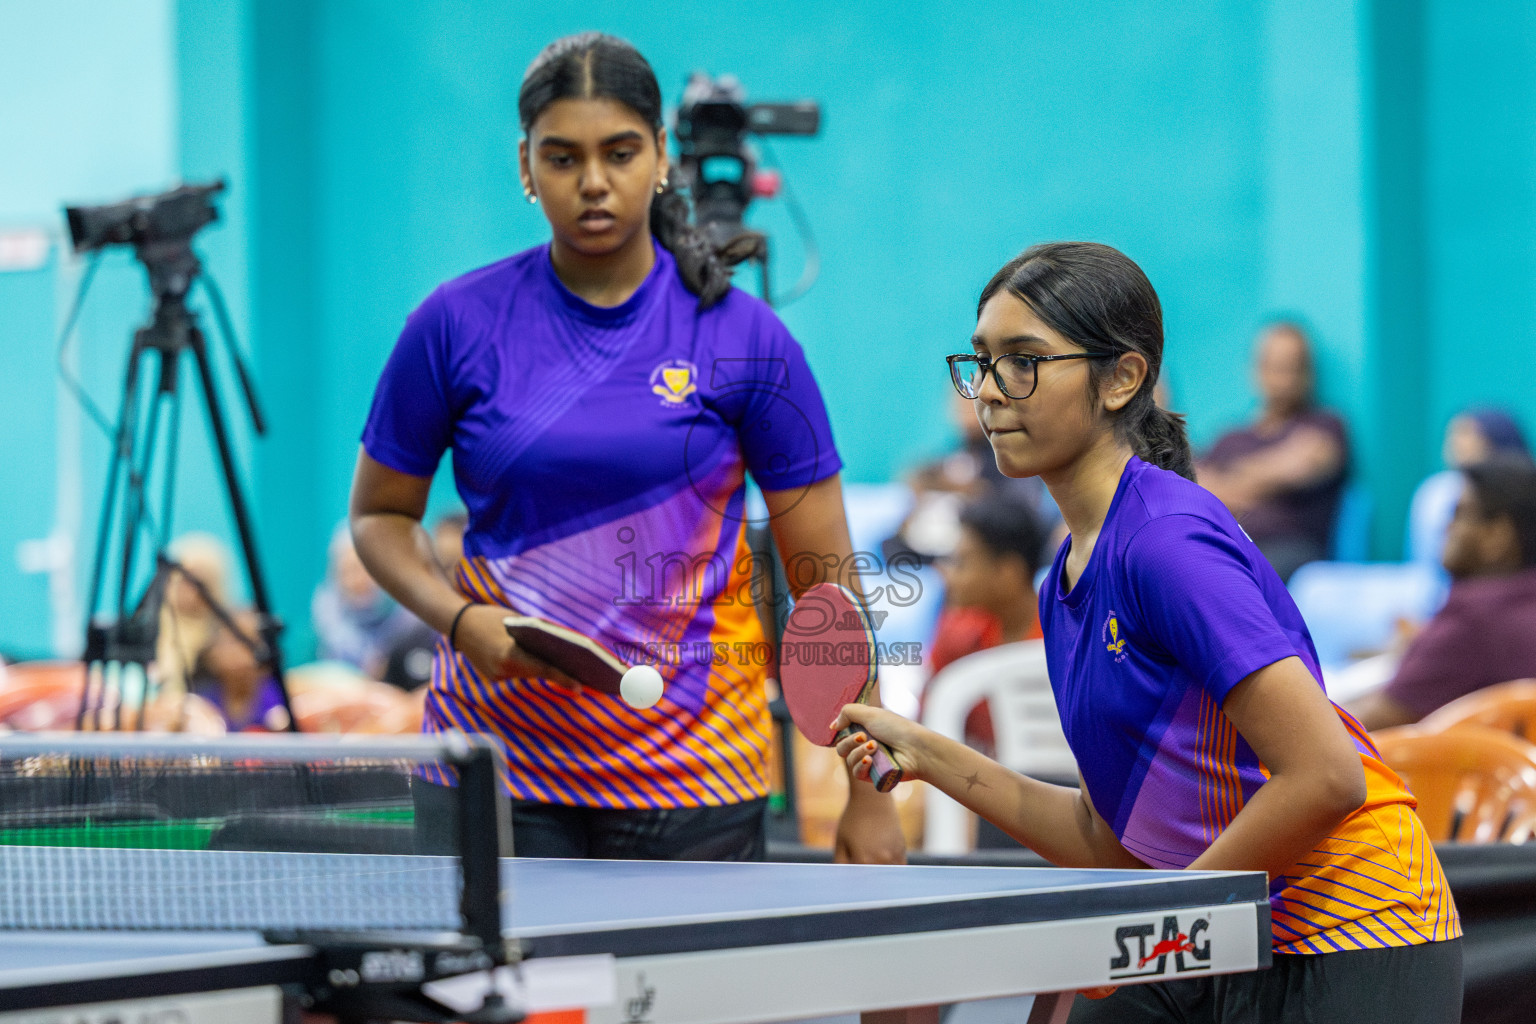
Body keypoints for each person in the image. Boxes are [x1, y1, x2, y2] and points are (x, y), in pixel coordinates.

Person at [836, 243, 1460, 1022]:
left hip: (1355, 930)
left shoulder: (1165, 543)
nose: (991, 390)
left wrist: (1159, 935)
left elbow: (1326, 777)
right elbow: (1105, 838)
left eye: (1024, 361)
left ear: (1121, 378)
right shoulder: (1065, 583)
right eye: (984, 362)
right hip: (1222, 928)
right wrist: (928, 753)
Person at [349, 33, 903, 863]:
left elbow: (825, 582)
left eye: (619, 153)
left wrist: (870, 790)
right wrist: (460, 622)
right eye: (562, 158)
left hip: (696, 775)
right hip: (494, 770)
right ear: (526, 165)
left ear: (661, 156)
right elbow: (379, 517)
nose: (593, 182)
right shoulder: (454, 324)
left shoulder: (746, 337)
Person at [1350, 457, 1536, 730]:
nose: (1446, 527)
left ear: (1497, 536)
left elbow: (1366, 724)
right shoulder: (1512, 606)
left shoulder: (1472, 618)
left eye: (1459, 513)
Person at [1199, 322, 1350, 582]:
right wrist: (1271, 474)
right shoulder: (1228, 438)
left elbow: (1304, 464)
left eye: (1294, 366)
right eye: (1276, 365)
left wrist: (1227, 485)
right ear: (1256, 369)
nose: (1285, 378)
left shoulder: (1325, 425)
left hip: (1291, 551)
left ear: (1308, 373)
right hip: (1225, 546)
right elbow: (1195, 488)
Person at [926, 492, 1047, 757]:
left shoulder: (1064, 643)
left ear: (1008, 573)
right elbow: (926, 729)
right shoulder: (955, 635)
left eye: (962, 563)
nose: (949, 576)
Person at [1407, 408, 1531, 565]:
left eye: (1466, 433)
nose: (1456, 442)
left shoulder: (1520, 487)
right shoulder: (1434, 491)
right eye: (1454, 434)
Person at [311, 524, 425, 679]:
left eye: (365, 570)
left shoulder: (417, 626)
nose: (357, 581)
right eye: (347, 571)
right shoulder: (326, 631)